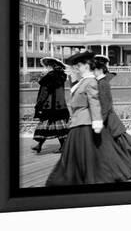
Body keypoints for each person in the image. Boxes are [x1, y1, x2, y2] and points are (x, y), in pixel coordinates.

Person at [45, 51, 105, 186]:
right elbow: (75, 94)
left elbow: (94, 102)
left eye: (78, 66)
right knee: (74, 154)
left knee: (79, 154)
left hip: (84, 123)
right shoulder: (83, 81)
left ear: (86, 66)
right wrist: (72, 77)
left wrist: (97, 122)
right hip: (77, 122)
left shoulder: (90, 82)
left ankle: (83, 178)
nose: (76, 68)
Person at [93, 55, 131, 170]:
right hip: (109, 121)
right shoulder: (102, 81)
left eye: (94, 70)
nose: (93, 72)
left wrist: (99, 121)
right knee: (120, 146)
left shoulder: (102, 83)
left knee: (124, 145)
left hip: (109, 122)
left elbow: (106, 105)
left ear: (99, 69)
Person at [31, 57, 70, 154]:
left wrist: (39, 104)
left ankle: (60, 146)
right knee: (58, 126)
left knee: (45, 125)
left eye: (47, 66)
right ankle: (40, 145)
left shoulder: (48, 78)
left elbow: (44, 92)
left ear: (50, 66)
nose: (46, 68)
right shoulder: (61, 76)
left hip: (48, 105)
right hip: (59, 105)